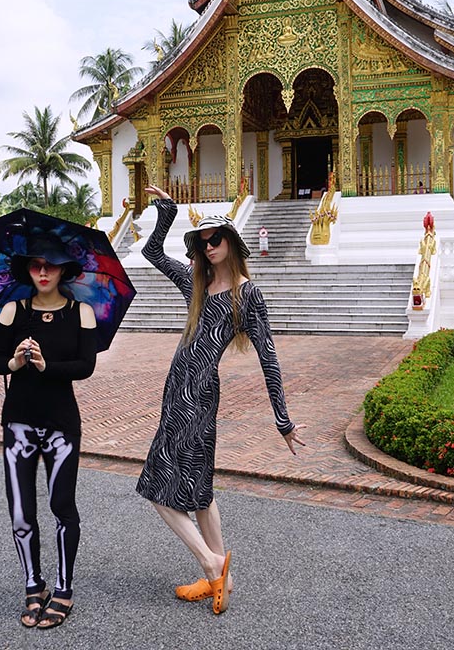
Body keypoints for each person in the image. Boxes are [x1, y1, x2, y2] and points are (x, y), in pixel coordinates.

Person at [136, 186, 306, 615]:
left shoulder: (247, 295)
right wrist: (168, 213)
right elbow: (153, 253)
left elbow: (268, 358)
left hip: (200, 396)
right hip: (176, 390)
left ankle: (211, 562)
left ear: (232, 242)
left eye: (217, 239)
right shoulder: (198, 283)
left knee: (157, 488)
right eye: (203, 242)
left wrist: (282, 421)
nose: (209, 247)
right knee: (201, 490)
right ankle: (220, 581)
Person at [0, 236, 97, 630]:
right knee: (21, 513)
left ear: (64, 269)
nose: (43, 272)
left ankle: (63, 588)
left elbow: (85, 366)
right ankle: (33, 587)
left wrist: (45, 366)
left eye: (51, 265)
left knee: (62, 507)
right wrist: (17, 362)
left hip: (61, 425)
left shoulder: (80, 312)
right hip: (18, 422)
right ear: (27, 269)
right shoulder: (12, 311)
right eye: (36, 265)